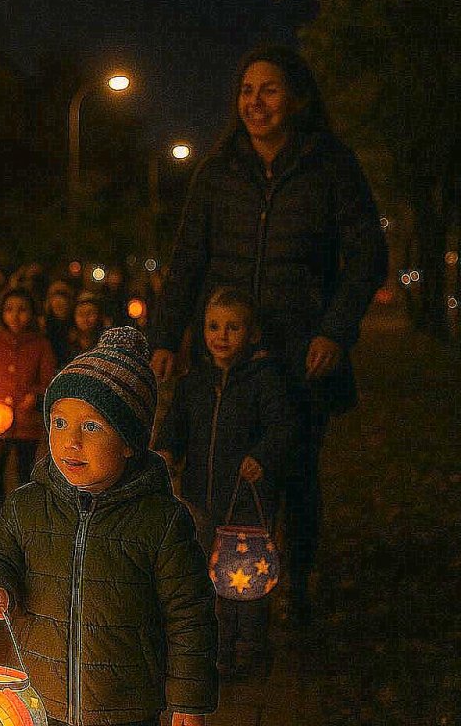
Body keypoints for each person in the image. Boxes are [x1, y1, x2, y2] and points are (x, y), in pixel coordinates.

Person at [151, 45, 387, 621]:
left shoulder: (330, 166)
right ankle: (229, 597)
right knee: (226, 476)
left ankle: (298, 583)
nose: (255, 103)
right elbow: (186, 258)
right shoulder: (218, 171)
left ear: (298, 98)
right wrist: (165, 334)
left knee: (297, 472)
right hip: (226, 355)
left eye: (270, 90)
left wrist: (334, 330)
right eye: (246, 91)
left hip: (301, 354)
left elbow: (366, 256)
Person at [0, 328, 218, 726]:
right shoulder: (27, 505)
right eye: (59, 422)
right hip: (40, 696)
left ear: (129, 442)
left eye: (91, 427)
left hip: (126, 706)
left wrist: (189, 701)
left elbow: (190, 615)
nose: (70, 441)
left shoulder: (162, 521)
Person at [155, 287, 294, 676]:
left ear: (252, 334)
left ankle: (248, 649)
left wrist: (262, 456)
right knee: (205, 575)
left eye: (233, 327)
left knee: (245, 578)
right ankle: (213, 650)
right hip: (200, 497)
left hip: (247, 500)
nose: (221, 336)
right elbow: (175, 428)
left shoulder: (264, 380)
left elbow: (282, 427)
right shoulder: (193, 382)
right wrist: (165, 453)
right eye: (213, 326)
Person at [0, 287, 57, 526]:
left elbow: (48, 379)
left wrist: (35, 394)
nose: (15, 316)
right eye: (9, 310)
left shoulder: (40, 345)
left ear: (32, 313)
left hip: (26, 421)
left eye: (22, 310)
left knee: (24, 468)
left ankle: (23, 514)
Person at [44, 278, 76, 366]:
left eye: (63, 294)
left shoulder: (78, 328)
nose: (58, 299)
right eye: (53, 294)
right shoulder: (41, 327)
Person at [68, 290, 104, 357]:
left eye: (90, 313)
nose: (85, 318)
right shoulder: (67, 342)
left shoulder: (104, 341)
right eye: (80, 314)